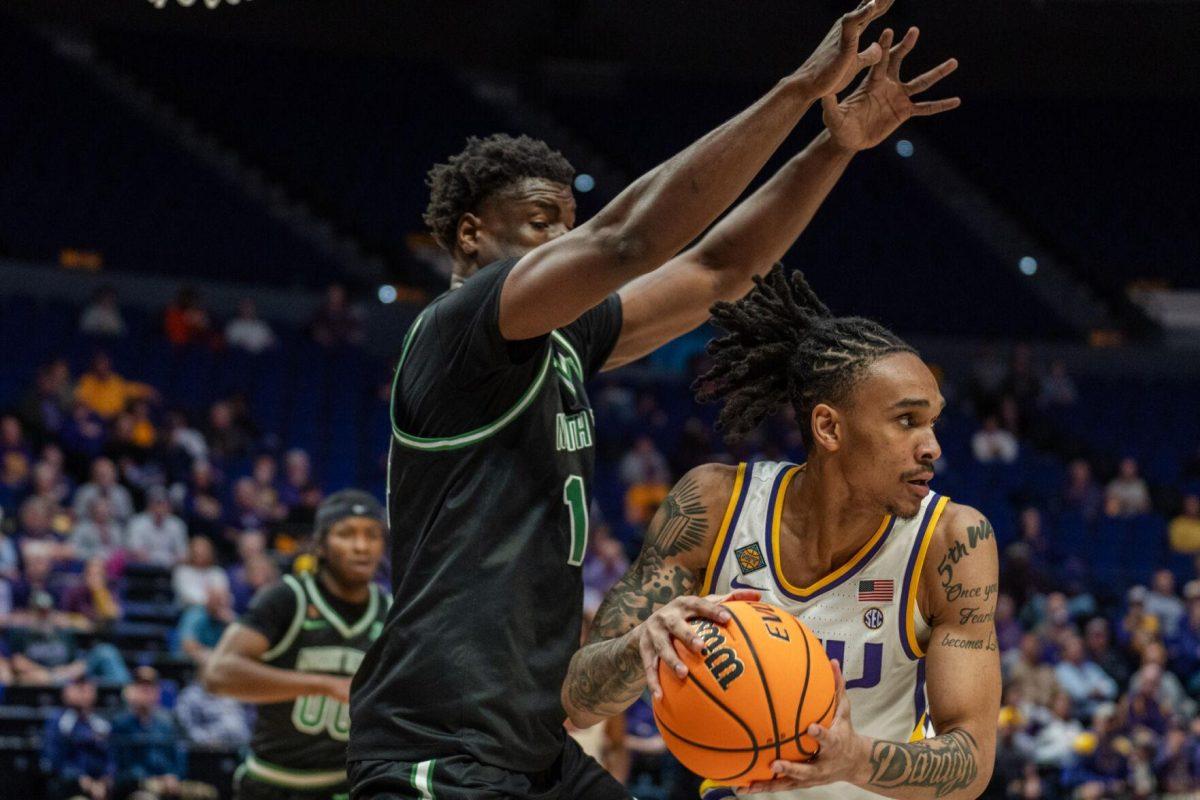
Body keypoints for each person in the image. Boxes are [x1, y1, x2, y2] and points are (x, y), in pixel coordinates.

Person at [350, 4, 962, 797]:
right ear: (471, 238)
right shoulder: (459, 331)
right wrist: (795, 91)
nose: (564, 248)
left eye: (568, 226)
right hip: (435, 741)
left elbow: (719, 270)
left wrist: (831, 147)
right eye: (541, 226)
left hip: (525, 742)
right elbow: (629, 241)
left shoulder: (563, 341)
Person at [563, 268, 999, 799]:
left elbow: (973, 761)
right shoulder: (715, 506)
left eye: (933, 422)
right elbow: (579, 700)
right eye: (907, 421)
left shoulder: (951, 540)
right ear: (829, 428)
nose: (931, 446)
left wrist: (854, 758)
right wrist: (640, 643)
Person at [203, 490, 389, 800]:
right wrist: (324, 685)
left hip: (345, 786)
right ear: (320, 544)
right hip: (271, 782)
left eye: (372, 535)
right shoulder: (288, 599)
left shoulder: (391, 610)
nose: (361, 546)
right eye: (346, 534)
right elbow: (218, 675)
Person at [111, 666, 186, 799]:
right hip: (135, 786)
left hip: (167, 784)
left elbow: (178, 757)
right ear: (130, 691)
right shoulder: (120, 723)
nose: (146, 691)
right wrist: (146, 780)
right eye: (140, 686)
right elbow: (118, 767)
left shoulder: (167, 723)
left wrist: (173, 775)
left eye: (150, 687)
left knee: (205, 793)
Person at [42, 676, 114, 800]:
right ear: (66, 692)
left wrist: (106, 779)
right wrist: (80, 779)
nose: (83, 691)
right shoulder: (57, 722)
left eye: (86, 687)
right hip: (69, 788)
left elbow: (112, 757)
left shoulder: (102, 723)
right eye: (77, 687)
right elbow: (54, 761)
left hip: (101, 787)